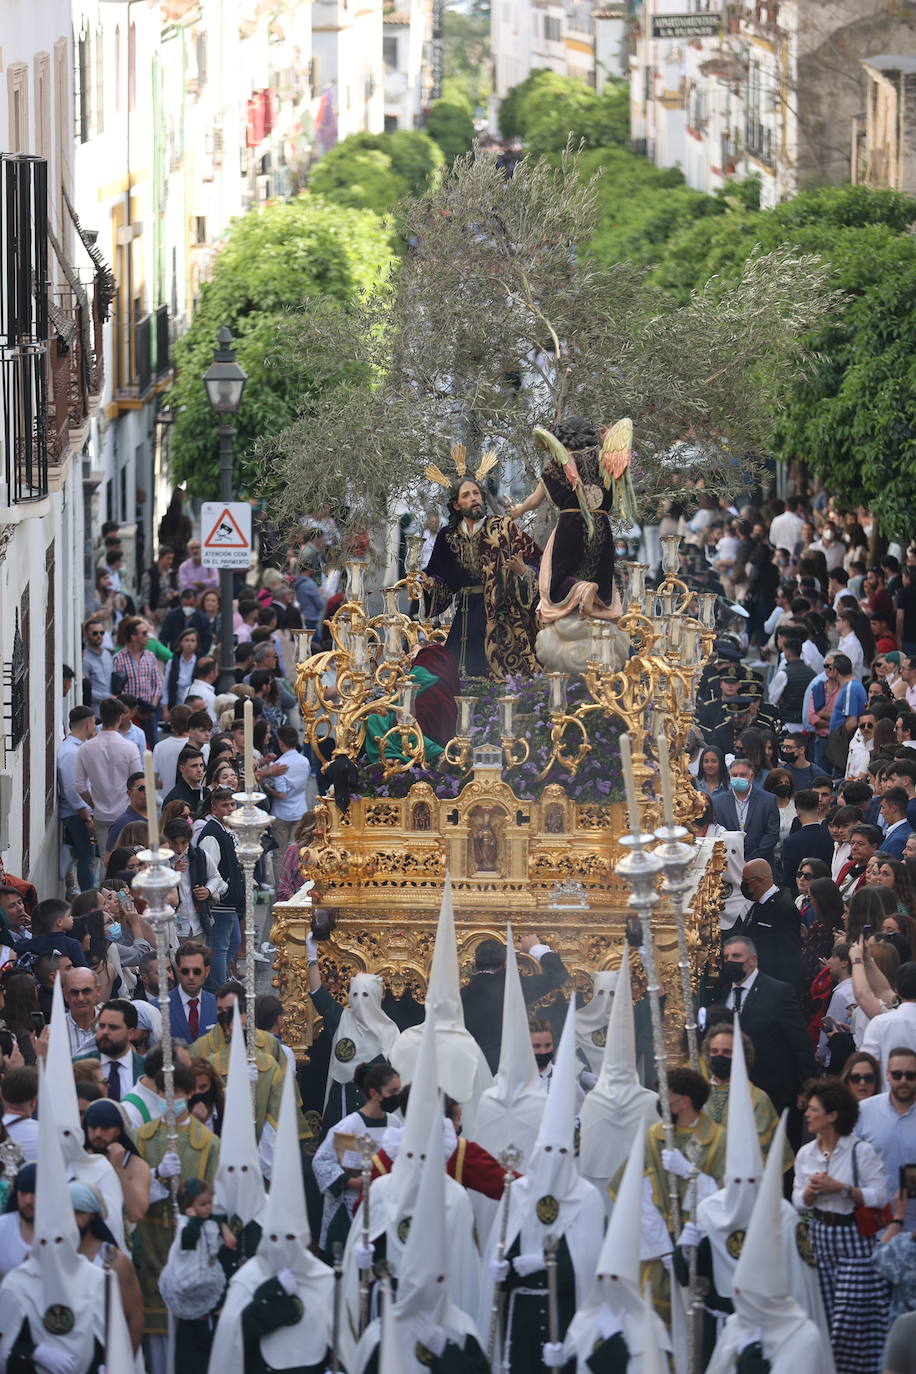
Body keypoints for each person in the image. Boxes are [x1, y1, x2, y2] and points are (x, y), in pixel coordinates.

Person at [482, 999, 604, 1373]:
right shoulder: (517, 1193)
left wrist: (550, 1266)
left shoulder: (584, 1199)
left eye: (546, 1046)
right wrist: (500, 1269)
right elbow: (503, 1247)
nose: (542, 1052)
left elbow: (587, 1263)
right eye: (534, 1047)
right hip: (520, 1309)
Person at [208, 1060, 334, 1374]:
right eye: (275, 1239)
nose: (282, 1247)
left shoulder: (323, 1279)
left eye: (290, 1238)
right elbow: (234, 1340)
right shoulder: (247, 1281)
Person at [706, 1114, 831, 1374]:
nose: (744, 1191)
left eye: (750, 1182)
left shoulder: (783, 1215)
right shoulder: (709, 1210)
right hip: (737, 1313)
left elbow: (801, 1278)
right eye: (737, 1182)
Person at [793, 1078, 890, 1374]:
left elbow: (880, 1196)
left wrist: (841, 1189)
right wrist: (811, 1192)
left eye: (814, 1110)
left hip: (852, 1239)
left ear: (833, 1116)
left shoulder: (860, 1151)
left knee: (849, 1320)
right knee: (822, 1314)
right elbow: (798, 1200)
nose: (808, 1115)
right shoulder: (805, 1153)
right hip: (820, 1237)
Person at [421, 474, 541, 680]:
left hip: (502, 618)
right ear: (457, 505)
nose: (474, 498)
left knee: (504, 679)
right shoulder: (448, 536)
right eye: (466, 495)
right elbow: (442, 578)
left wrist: (523, 571)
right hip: (466, 615)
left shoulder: (505, 528)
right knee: (456, 678)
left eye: (476, 493)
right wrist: (431, 584)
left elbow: (539, 564)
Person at [707, 935, 816, 1126]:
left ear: (752, 960)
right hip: (735, 1092)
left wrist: (805, 1088)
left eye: (736, 956)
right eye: (726, 958)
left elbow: (801, 1043)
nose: (730, 962)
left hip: (775, 1092)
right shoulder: (723, 992)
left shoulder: (778, 992)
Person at [312, 1060, 401, 1253]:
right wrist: (351, 1182)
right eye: (392, 1092)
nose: (397, 1097)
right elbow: (321, 1161)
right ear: (374, 1093)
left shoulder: (395, 1124)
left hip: (383, 1206)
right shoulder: (349, 1126)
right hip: (348, 1208)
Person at [307, 954, 399, 1128]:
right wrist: (312, 959)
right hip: (342, 1099)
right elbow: (319, 996)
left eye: (365, 994)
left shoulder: (389, 1030)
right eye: (354, 994)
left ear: (376, 996)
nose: (359, 1000)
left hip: (373, 1102)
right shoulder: (341, 1018)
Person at [459, 933, 568, 1075]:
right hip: (507, 1072)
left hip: (470, 1070)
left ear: (474, 964)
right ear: (506, 964)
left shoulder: (460, 995)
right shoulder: (515, 988)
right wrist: (535, 948)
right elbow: (558, 973)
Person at [73, 695, 141, 847]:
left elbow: (79, 786)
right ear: (120, 718)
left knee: (106, 860)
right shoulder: (129, 748)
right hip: (125, 812)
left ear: (101, 716)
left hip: (101, 814)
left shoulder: (85, 748)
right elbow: (138, 782)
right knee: (129, 858)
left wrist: (94, 804)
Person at [193, 788, 243, 985]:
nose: (230, 809)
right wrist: (222, 891)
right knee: (220, 947)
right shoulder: (211, 835)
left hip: (230, 899)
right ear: (214, 808)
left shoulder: (225, 829)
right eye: (225, 805)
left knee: (234, 942)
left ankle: (218, 979)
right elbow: (210, 870)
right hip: (220, 901)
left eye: (232, 804)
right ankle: (218, 987)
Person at [739, 858, 803, 989]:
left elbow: (790, 956)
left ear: (759, 881)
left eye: (746, 881)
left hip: (771, 984)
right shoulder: (759, 902)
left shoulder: (783, 908)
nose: (744, 885)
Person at [58, 705, 98, 895]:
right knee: (86, 858)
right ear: (89, 723)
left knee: (88, 857)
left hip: (82, 813)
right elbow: (72, 789)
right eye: (94, 723)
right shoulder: (70, 752)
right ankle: (89, 898)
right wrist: (86, 817)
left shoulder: (77, 748)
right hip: (76, 814)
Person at [712, 758, 780, 864]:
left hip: (761, 863)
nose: (738, 778)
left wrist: (751, 860)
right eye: (734, 775)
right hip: (729, 864)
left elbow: (772, 834)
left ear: (751, 777)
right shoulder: (717, 803)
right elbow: (716, 833)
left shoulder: (768, 800)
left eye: (743, 775)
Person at [261, 725, 311, 857]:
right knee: (297, 852)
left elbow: (282, 794)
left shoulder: (280, 764)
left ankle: (282, 879)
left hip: (281, 813)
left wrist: (266, 787)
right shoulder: (304, 761)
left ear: (281, 743)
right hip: (300, 810)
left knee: (280, 854)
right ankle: (296, 878)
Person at [781, 788, 835, 898]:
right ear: (818, 808)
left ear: (797, 812)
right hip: (827, 893)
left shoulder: (790, 842)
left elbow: (787, 878)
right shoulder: (830, 836)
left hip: (800, 896)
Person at [862, 962, 916, 1067]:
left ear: (896, 991)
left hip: (886, 1082)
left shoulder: (879, 1023)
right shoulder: (880, 1023)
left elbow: (866, 1063)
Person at [81, 616, 114, 717]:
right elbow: (84, 690)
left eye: (102, 633)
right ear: (86, 635)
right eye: (95, 633)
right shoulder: (84, 659)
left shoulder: (107, 655)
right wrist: (107, 697)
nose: (99, 636)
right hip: (94, 713)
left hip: (111, 711)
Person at [882, 785, 916, 859]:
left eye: (883, 807)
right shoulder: (906, 829)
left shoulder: (899, 839)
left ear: (893, 808)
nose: (881, 812)